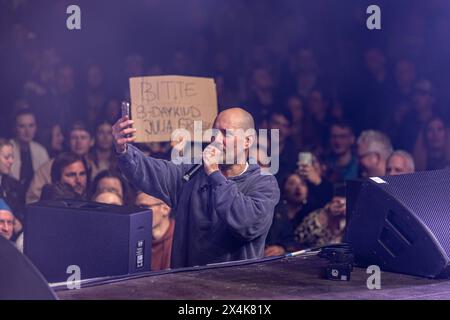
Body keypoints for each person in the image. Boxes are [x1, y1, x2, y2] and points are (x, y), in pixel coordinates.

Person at [113, 107, 280, 268]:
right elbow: (151, 171)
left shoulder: (263, 183)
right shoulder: (192, 174)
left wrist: (215, 174)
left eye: (226, 133)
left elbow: (244, 223)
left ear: (247, 141)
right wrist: (124, 150)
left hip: (236, 288)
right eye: (214, 132)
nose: (217, 140)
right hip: (189, 287)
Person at [26, 121, 95, 203]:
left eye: (83, 137)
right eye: (74, 138)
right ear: (68, 141)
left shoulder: (95, 167)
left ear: (91, 141)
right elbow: (32, 200)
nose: (78, 142)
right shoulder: (48, 167)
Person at [135, 192, 175, 271]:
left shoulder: (180, 239)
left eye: (144, 207)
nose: (138, 213)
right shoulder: (135, 240)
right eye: (136, 208)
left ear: (165, 209)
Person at [10, 109, 49, 191]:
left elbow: (47, 182)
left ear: (36, 127)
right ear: (14, 128)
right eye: (22, 126)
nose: (27, 131)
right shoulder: (6, 149)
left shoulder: (41, 151)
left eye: (31, 125)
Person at [0, 138, 25, 235]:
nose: (11, 161)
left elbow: (21, 214)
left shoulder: (15, 185)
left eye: (12, 157)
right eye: (7, 157)